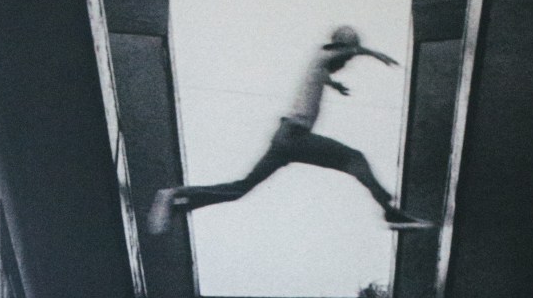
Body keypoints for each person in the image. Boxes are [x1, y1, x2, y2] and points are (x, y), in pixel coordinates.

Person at [147, 25, 433, 234]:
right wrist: (371, 53)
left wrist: (334, 85)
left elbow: (322, 74)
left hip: (284, 141)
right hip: (295, 137)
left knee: (240, 189)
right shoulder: (324, 53)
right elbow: (342, 52)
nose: (343, 65)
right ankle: (391, 212)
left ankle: (176, 199)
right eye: (343, 60)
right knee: (353, 158)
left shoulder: (319, 68)